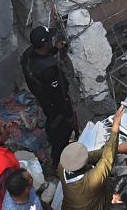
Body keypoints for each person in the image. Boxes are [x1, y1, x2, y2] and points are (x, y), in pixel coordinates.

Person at [20, 26, 76, 167]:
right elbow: (58, 96)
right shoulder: (48, 70)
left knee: (54, 122)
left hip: (41, 96)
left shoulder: (28, 54)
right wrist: (68, 114)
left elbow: (41, 55)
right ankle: (57, 162)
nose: (52, 40)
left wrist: (55, 49)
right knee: (61, 131)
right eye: (49, 40)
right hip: (53, 104)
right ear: (44, 43)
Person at [60, 106, 126, 210]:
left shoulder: (63, 166)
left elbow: (92, 155)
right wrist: (115, 126)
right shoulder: (91, 181)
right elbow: (107, 160)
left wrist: (116, 149)